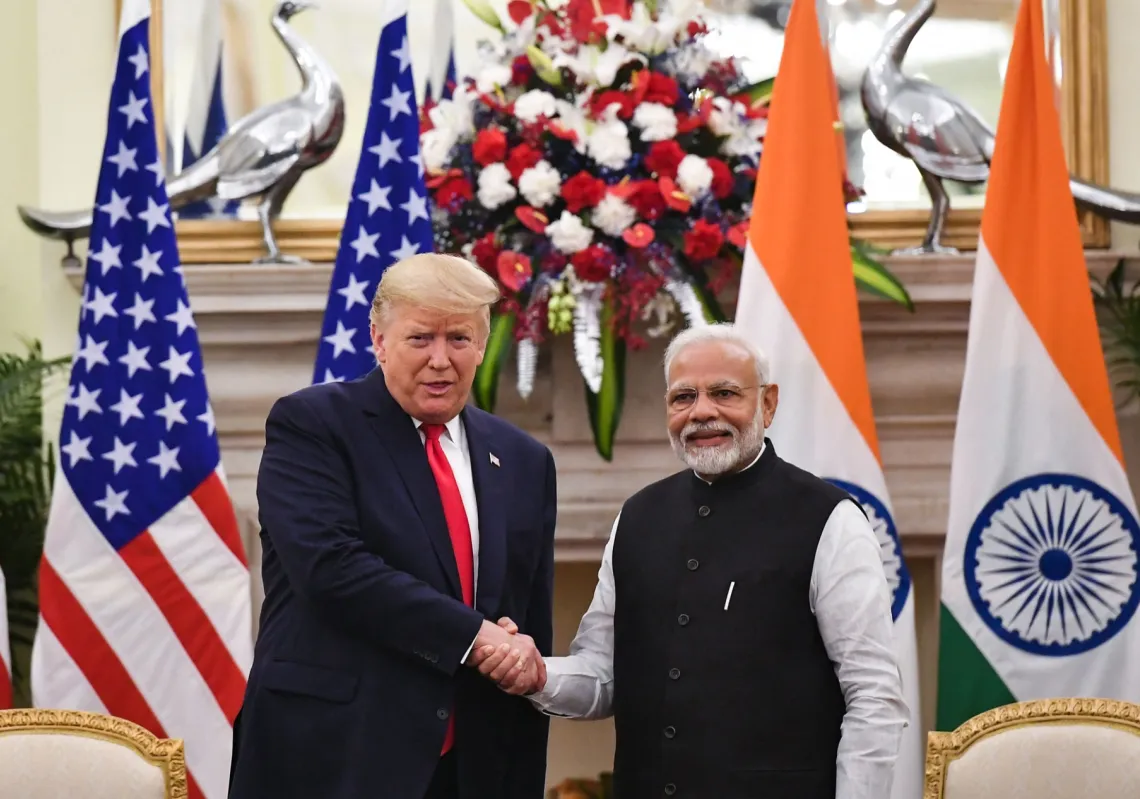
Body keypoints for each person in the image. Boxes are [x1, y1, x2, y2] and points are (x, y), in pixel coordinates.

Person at [475, 323, 908, 799]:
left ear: (767, 403)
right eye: (683, 397)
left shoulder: (830, 519)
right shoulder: (638, 517)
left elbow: (873, 697)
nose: (702, 413)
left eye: (725, 393)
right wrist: (539, 674)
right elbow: (603, 675)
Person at [228, 253, 556, 799]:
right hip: (335, 757)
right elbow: (332, 569)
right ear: (379, 340)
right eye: (420, 338)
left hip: (472, 766)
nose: (441, 360)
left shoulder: (523, 459)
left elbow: (527, 623)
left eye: (459, 338)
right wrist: (476, 639)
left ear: (482, 344)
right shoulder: (313, 424)